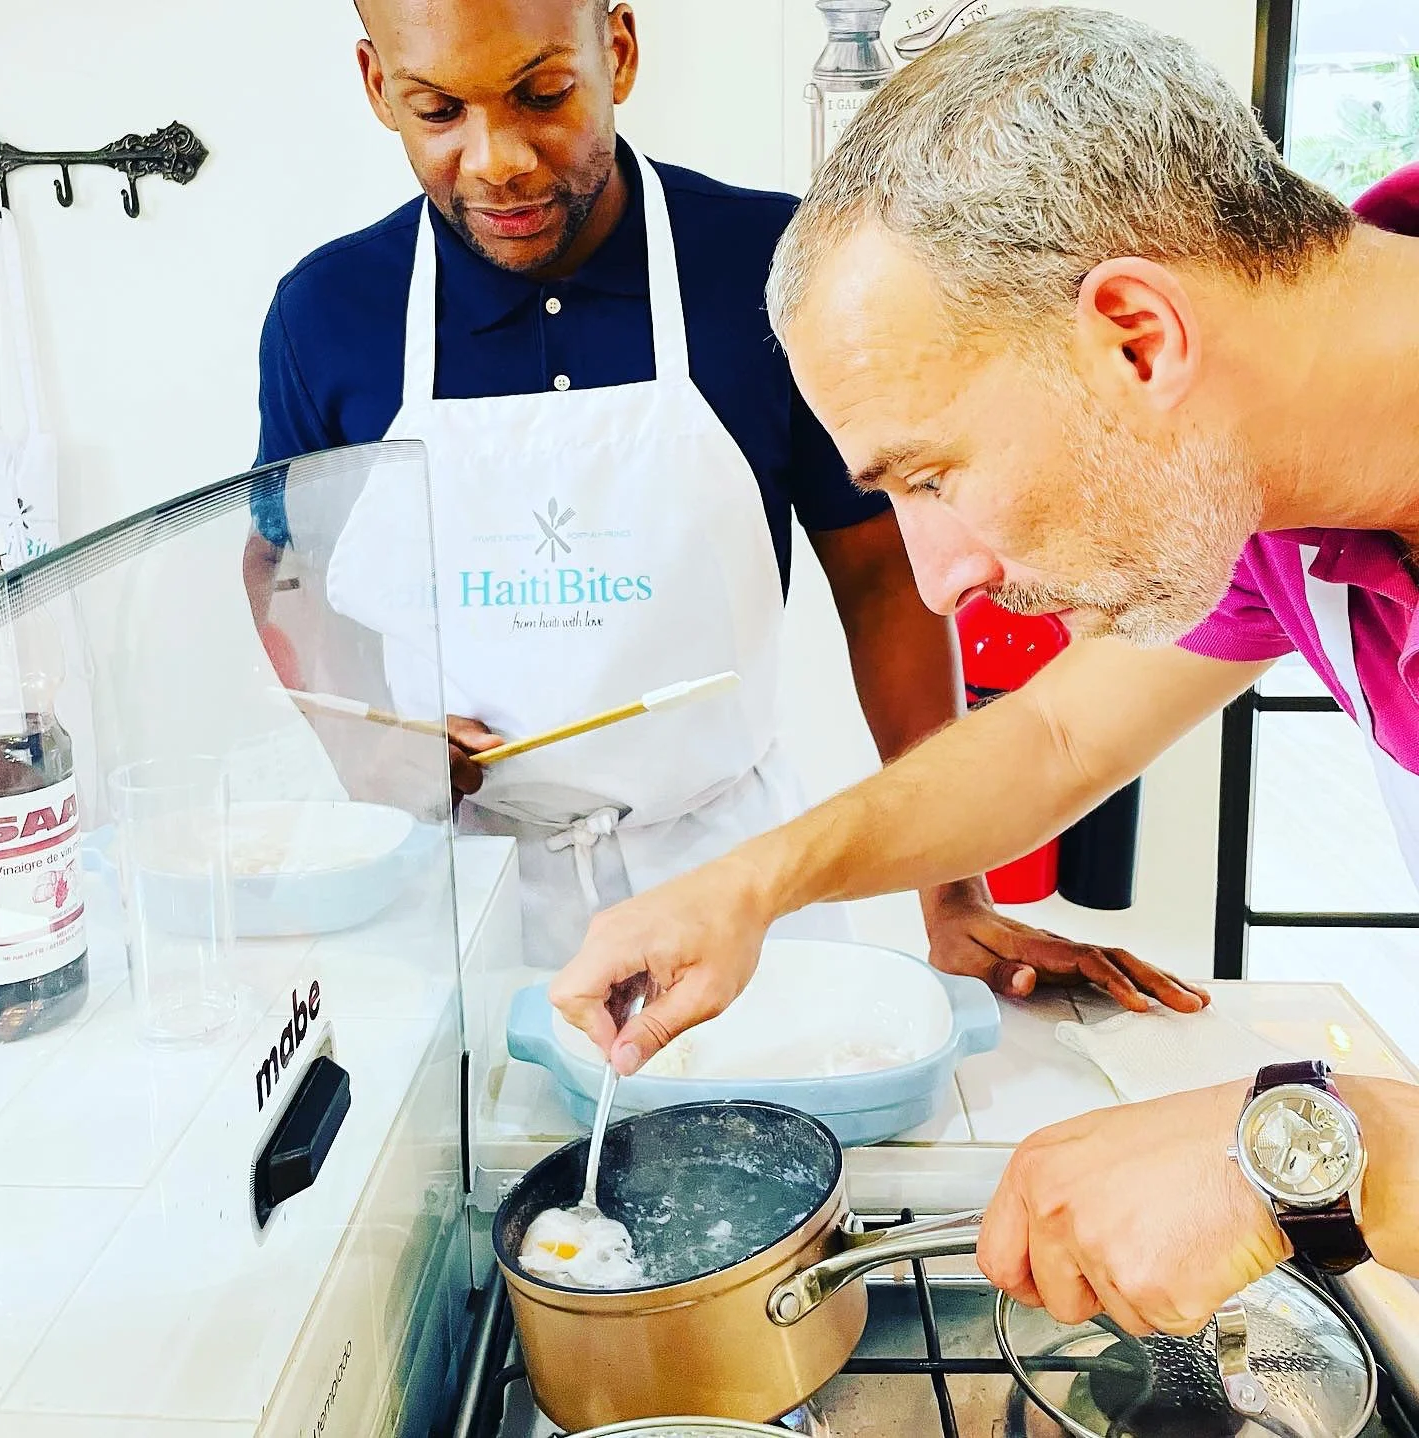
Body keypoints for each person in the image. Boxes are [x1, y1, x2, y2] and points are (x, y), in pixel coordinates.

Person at [549, 8, 1419, 1332]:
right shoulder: (1274, 483)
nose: (942, 576)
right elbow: (1056, 742)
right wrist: (749, 886)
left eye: (935, 473)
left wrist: (1318, 1147)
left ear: (1136, 336)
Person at [239, 0, 1179, 994]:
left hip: (725, 875)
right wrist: (364, 740)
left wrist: (954, 894)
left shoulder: (770, 268)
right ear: (377, 86)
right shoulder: (329, 314)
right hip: (462, 892)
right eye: (438, 111)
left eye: (544, 94)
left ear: (621, 53)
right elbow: (282, 557)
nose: (496, 159)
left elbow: (877, 578)